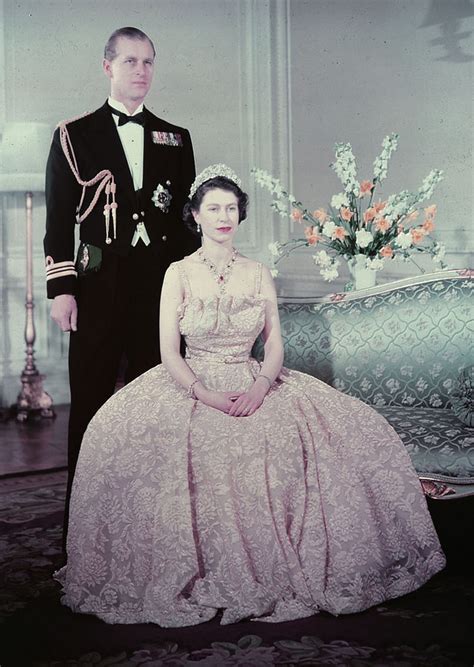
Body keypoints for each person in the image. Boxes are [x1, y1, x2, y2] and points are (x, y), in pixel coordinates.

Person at [54, 164, 445, 627]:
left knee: (330, 435)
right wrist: (204, 394)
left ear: (241, 216)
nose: (223, 217)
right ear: (194, 215)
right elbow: (167, 352)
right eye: (213, 208)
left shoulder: (259, 273)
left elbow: (274, 344)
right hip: (190, 379)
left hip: (251, 376)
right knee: (116, 433)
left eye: (232, 209)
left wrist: (260, 387)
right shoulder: (176, 273)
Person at [43, 27, 198, 550]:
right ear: (107, 66)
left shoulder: (176, 138)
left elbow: (187, 227)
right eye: (130, 61)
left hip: (158, 296)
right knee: (89, 405)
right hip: (95, 294)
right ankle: (85, 534)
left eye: (149, 62)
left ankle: (154, 529)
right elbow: (59, 219)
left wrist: (192, 293)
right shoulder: (74, 135)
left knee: (157, 408)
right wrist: (62, 289)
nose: (141, 71)